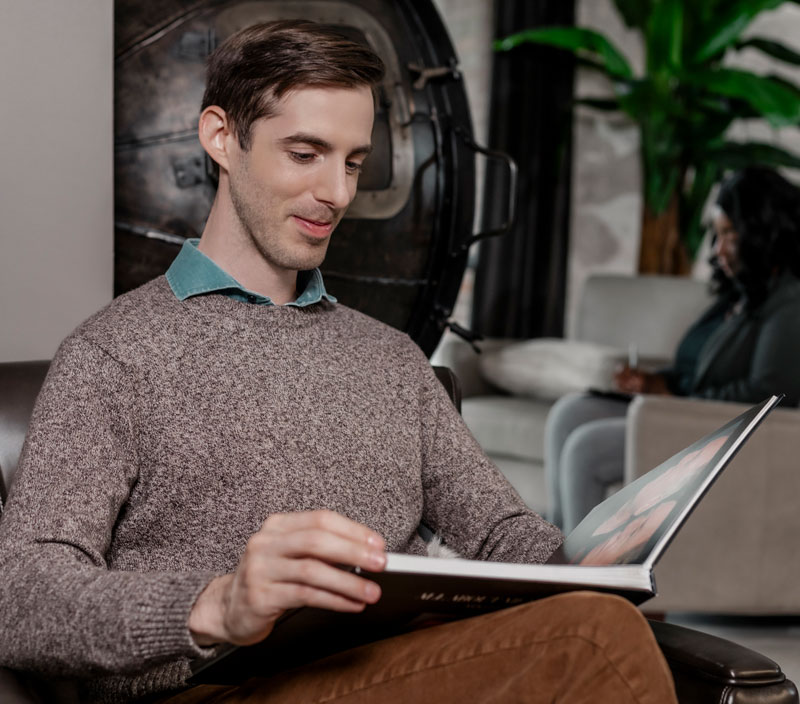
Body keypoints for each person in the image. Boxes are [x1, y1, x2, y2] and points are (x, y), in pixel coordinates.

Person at [0, 21, 677, 704]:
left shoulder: (391, 360)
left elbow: (502, 532)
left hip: (390, 672)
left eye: (353, 162)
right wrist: (217, 605)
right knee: (594, 639)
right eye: (306, 154)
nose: (338, 193)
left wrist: (604, 565)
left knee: (602, 621)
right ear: (221, 137)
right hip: (219, 689)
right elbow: (21, 596)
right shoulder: (112, 355)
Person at [546, 167, 800, 532]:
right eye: (716, 234)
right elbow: (693, 370)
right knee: (569, 412)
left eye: (730, 234)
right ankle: (556, 546)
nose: (718, 250)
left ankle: (578, 566)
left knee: (586, 448)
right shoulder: (739, 293)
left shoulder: (789, 304)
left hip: (716, 431)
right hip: (684, 411)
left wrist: (676, 402)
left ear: (764, 232)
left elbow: (768, 395)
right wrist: (657, 382)